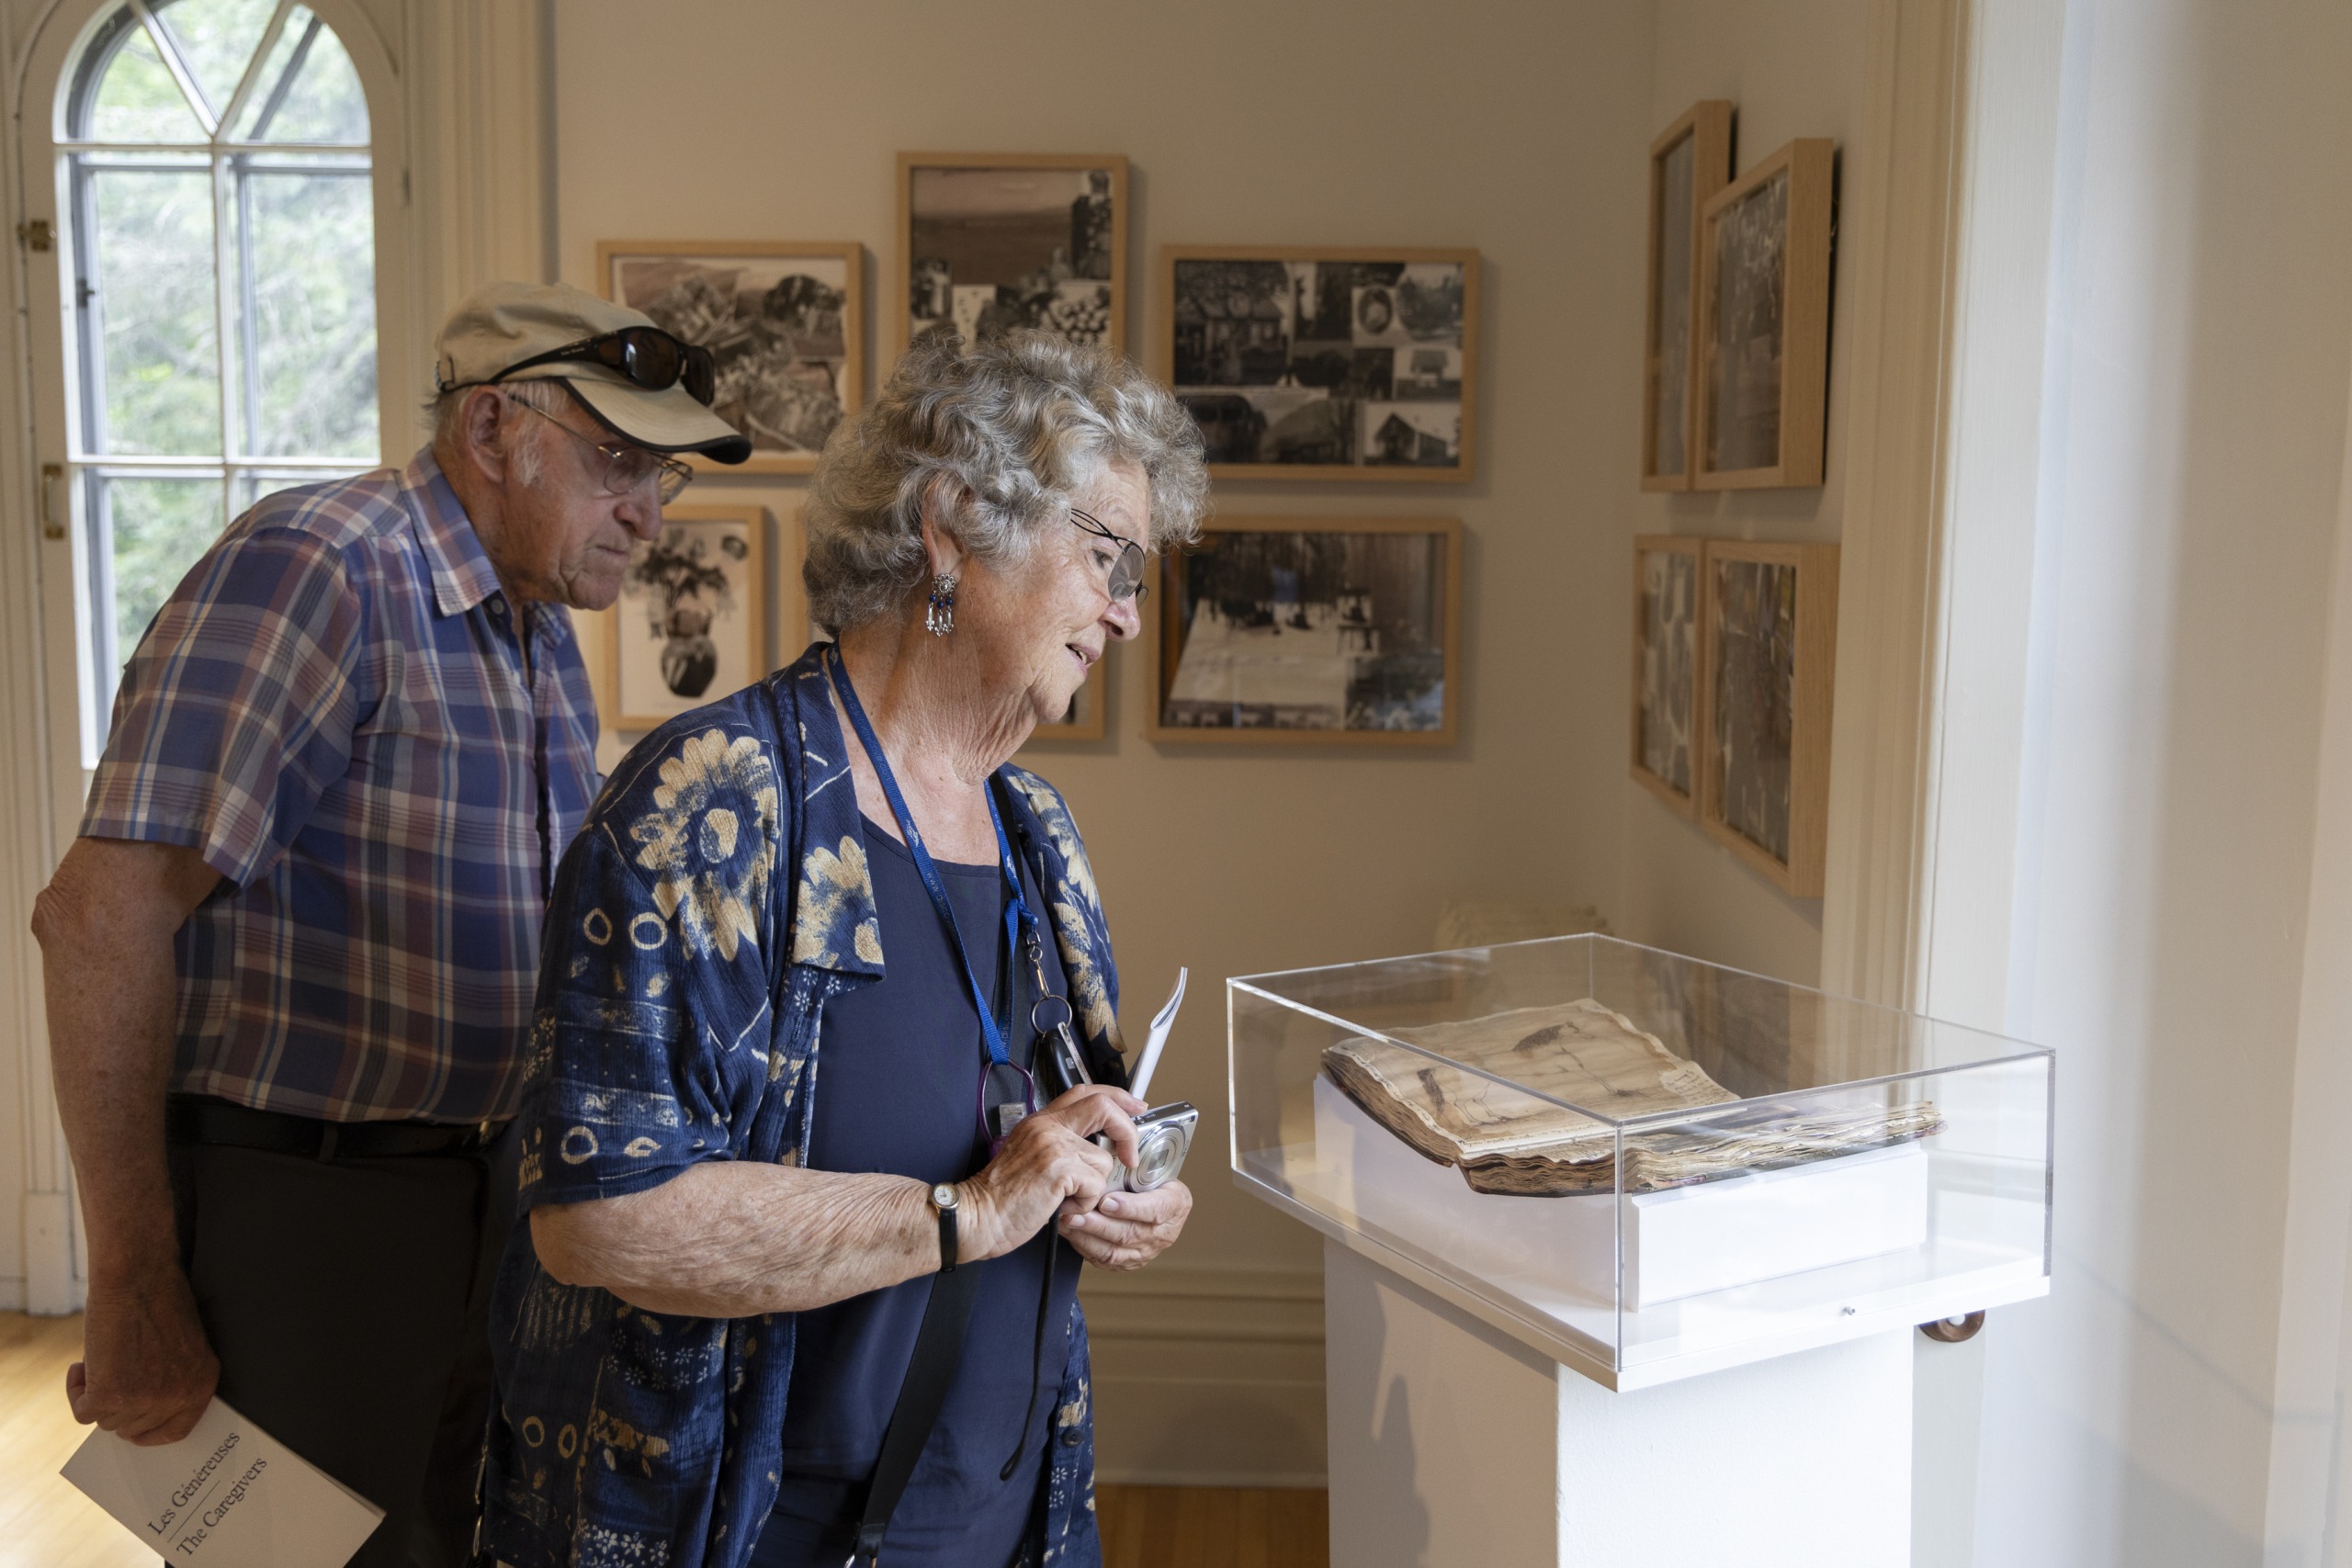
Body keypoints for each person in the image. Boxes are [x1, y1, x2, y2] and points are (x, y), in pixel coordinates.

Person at [29, 280, 751, 1567]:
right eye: (621, 464)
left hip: (478, 1211)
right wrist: (130, 1279)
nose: (649, 514)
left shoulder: (533, 632)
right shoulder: (324, 569)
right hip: (312, 1221)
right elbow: (99, 920)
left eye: (666, 479)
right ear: (491, 432)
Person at [475, 331, 1211, 1568]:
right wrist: (966, 1212)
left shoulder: (1034, 830)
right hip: (766, 1532)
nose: (1129, 613)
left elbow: (1037, 1147)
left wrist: (1115, 1191)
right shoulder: (712, 808)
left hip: (1010, 1510)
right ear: (952, 524)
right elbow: (600, 1221)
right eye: (1106, 556)